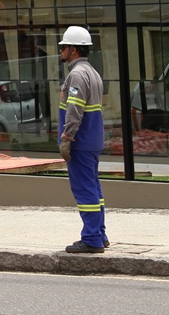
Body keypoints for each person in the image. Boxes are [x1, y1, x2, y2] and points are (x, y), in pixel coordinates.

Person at [57, 25, 108, 254]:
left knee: (84, 189)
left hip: (81, 141)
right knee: (94, 188)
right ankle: (100, 234)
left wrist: (67, 136)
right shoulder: (92, 72)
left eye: (63, 47)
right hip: (92, 139)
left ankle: (91, 239)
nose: (61, 52)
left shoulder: (77, 75)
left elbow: (75, 109)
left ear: (73, 49)